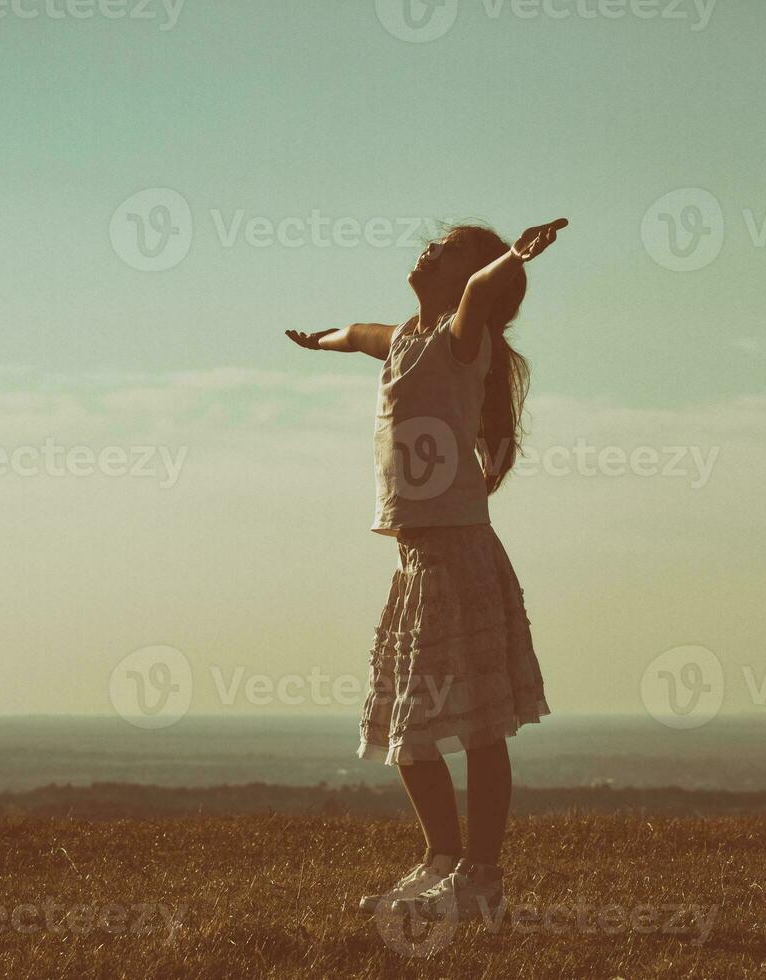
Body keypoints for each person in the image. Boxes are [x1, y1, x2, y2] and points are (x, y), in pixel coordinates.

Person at [284, 218, 566, 921]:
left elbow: (476, 290)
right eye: (432, 244)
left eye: (445, 250)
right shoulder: (405, 342)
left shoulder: (460, 340)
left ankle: (482, 877)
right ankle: (442, 859)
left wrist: (511, 258)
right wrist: (318, 340)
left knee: (479, 727)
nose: (428, 249)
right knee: (406, 731)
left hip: (461, 558)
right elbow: (357, 332)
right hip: (416, 563)